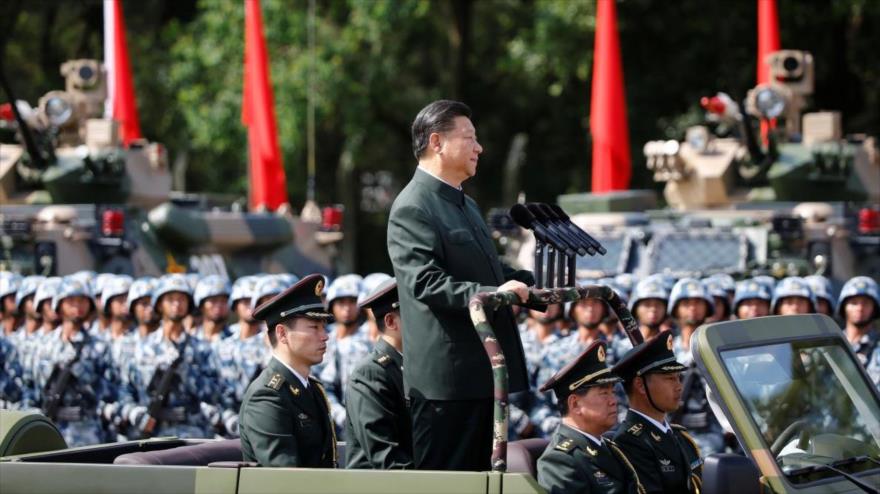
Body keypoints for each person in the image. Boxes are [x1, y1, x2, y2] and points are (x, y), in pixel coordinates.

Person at [387, 100, 535, 471]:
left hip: (480, 373)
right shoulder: (413, 206)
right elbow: (426, 281)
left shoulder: (464, 204)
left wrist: (531, 282)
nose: (479, 147)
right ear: (436, 142)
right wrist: (492, 295)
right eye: (469, 137)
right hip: (447, 384)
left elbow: (488, 268)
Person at [239, 274, 337, 468]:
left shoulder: (312, 388)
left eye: (323, 327)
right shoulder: (267, 395)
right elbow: (285, 478)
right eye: (314, 327)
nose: (325, 336)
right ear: (282, 333)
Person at [116, 274, 220, 439]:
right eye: (170, 299)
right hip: (151, 435)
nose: (177, 304)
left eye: (182, 299)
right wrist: (134, 413)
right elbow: (125, 390)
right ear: (159, 304)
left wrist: (187, 371)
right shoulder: (141, 348)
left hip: (193, 434)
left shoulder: (201, 348)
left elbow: (214, 392)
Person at [537, 341, 645, 494]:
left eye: (612, 392)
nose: (614, 401)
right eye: (604, 393)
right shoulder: (560, 460)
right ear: (575, 404)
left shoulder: (610, 447)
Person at [26, 277, 117, 446]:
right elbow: (29, 387)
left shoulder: (99, 346)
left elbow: (110, 390)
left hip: (87, 432)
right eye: (71, 301)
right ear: (59, 305)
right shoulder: (41, 345)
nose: (78, 306)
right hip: (47, 430)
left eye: (82, 301)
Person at [612, 331, 703, 494]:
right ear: (640, 385)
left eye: (678, 377)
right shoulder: (629, 442)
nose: (679, 386)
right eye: (669, 378)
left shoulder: (682, 437)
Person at [345, 278, 413, 469]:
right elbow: (385, 456)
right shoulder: (371, 373)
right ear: (391, 321)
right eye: (415, 314)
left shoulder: (411, 365)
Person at [668, 278, 725, 456]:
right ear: (675, 308)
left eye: (698, 303)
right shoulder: (667, 349)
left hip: (710, 431)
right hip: (671, 428)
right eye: (686, 303)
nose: (693, 308)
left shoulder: (717, 347)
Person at [319, 274, 372, 436]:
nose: (347, 308)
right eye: (341, 302)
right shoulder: (322, 337)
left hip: (362, 419)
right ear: (332, 305)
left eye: (352, 302)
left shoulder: (368, 341)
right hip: (326, 417)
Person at [837, 276, 879, 386]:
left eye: (865, 303)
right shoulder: (830, 344)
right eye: (854, 302)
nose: (860, 308)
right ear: (844, 306)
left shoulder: (877, 348)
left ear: (874, 308)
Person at [192, 275, 233, 344]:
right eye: (213, 300)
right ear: (201, 305)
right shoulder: (190, 339)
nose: (219, 305)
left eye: (224, 301)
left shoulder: (235, 339)